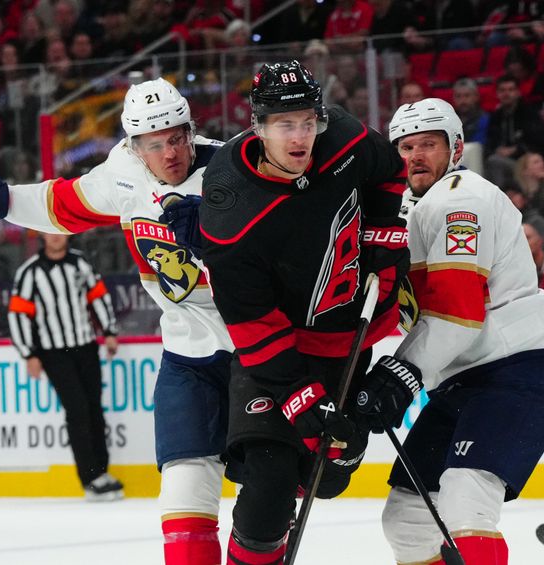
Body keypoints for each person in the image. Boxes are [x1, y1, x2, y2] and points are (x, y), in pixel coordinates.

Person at [0, 78, 235, 564]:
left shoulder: (234, 168)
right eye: (154, 143)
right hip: (186, 356)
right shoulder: (124, 172)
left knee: (267, 499)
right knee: (182, 494)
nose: (170, 152)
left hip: (258, 347)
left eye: (177, 137)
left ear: (191, 131)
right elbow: (64, 205)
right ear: (134, 145)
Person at [197, 60, 409, 564]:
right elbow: (253, 326)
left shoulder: (346, 138)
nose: (301, 137)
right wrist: (299, 398)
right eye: (284, 125)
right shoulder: (231, 209)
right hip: (275, 355)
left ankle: (310, 470)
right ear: (258, 126)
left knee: (329, 474)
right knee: (266, 495)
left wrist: (383, 231)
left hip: (348, 340)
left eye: (308, 122)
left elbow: (389, 173)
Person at [359, 98, 544, 564]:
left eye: (428, 145)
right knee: (408, 519)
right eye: (405, 147)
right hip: (462, 383)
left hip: (516, 373)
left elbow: (458, 312)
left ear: (455, 148)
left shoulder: (462, 199)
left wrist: (400, 372)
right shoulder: (405, 211)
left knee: (465, 496)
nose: (414, 156)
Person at [8, 233, 121, 500]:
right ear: (42, 236)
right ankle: (90, 477)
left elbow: (99, 296)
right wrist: (28, 354)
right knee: (77, 409)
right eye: (49, 232)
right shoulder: (30, 272)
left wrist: (110, 331)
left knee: (94, 407)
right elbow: (18, 315)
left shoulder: (81, 263)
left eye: (59, 231)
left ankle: (102, 471)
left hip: (85, 346)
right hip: (54, 352)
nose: (55, 237)